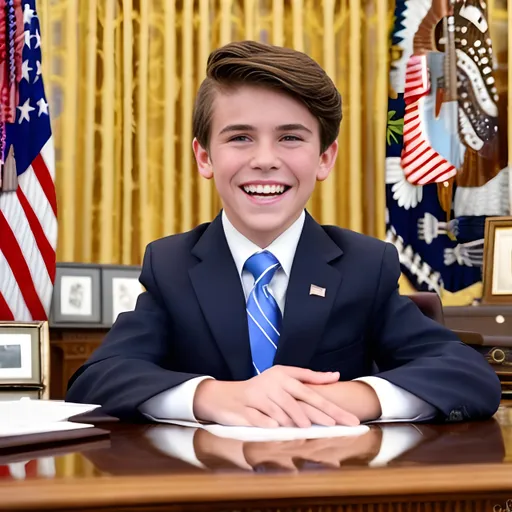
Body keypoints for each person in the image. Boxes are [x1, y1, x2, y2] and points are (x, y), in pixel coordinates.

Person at [66, 41, 501, 426]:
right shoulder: (172, 265)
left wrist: (342, 397)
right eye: (240, 138)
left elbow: (467, 375)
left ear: (324, 159)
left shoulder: (364, 265)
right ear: (204, 158)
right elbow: (99, 379)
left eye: (290, 137)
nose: (265, 160)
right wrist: (213, 396)